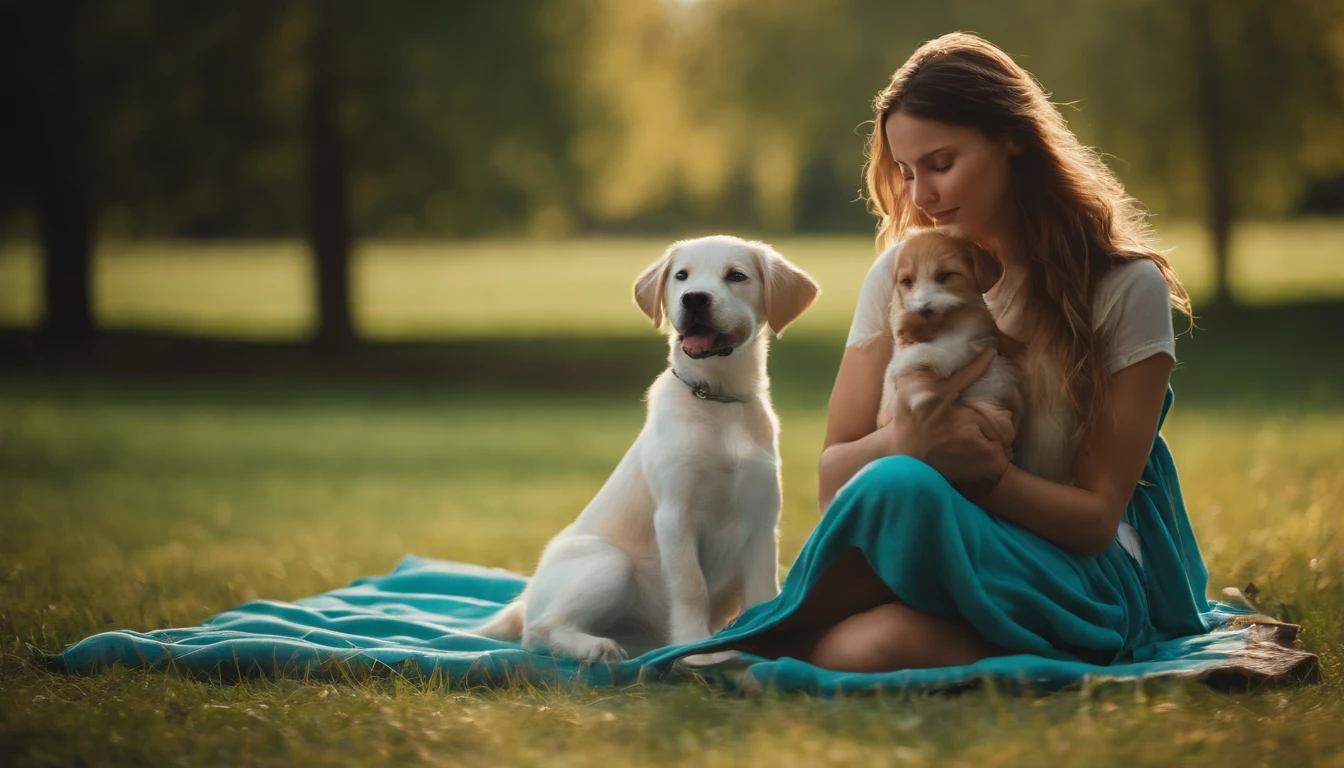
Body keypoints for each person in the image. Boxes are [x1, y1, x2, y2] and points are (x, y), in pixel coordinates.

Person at [731, 32, 1212, 672]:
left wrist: (984, 474)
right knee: (893, 506)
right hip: (931, 539)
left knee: (865, 643)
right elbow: (833, 482)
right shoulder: (903, 276)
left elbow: (1097, 518)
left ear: (1011, 136)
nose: (921, 195)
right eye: (905, 173)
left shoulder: (1123, 288)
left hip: (1069, 570)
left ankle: (754, 640)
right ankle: (767, 638)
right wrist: (909, 440)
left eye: (940, 162)